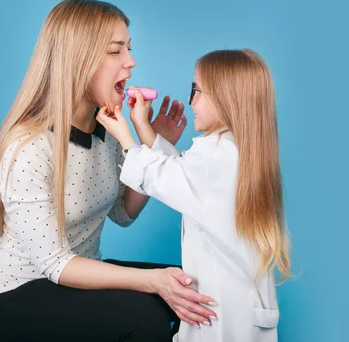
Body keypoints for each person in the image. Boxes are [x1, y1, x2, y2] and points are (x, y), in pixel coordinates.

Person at [0, 0, 216, 342]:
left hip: (79, 281)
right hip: (17, 293)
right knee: (146, 316)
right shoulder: (29, 146)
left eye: (129, 49)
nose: (131, 63)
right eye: (116, 51)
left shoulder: (106, 132)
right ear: (79, 60)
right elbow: (55, 264)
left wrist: (155, 141)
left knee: (188, 285)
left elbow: (122, 212)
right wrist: (151, 282)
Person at [96, 49, 292, 341]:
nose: (191, 101)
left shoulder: (215, 155)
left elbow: (163, 177)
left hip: (219, 312)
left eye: (197, 90)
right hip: (242, 309)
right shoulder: (233, 151)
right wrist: (142, 127)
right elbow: (183, 177)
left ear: (227, 97)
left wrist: (124, 136)